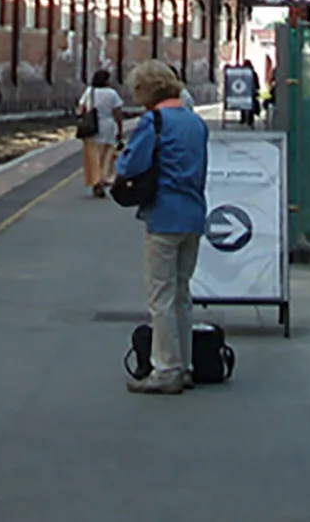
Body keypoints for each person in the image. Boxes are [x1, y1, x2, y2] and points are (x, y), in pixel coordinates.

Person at [115, 58, 208, 394]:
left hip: (163, 216)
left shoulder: (153, 121)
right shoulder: (196, 123)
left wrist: (121, 161)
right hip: (194, 215)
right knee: (183, 294)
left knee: (161, 297)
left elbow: (131, 165)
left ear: (145, 91)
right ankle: (185, 364)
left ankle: (165, 369)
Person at [77, 68, 124, 198]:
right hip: (108, 127)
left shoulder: (89, 91)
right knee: (107, 156)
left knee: (93, 157)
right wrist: (120, 130)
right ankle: (103, 180)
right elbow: (118, 114)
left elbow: (81, 110)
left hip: (92, 127)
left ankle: (95, 182)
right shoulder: (112, 94)